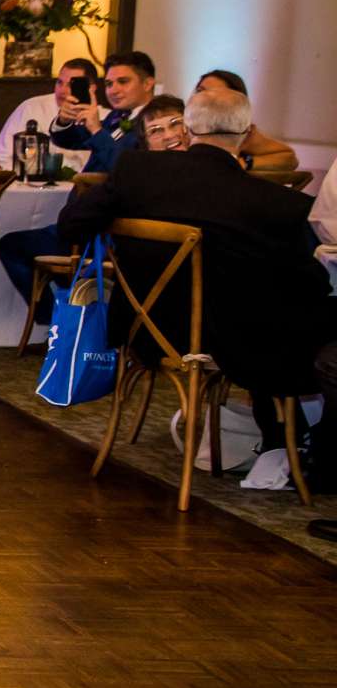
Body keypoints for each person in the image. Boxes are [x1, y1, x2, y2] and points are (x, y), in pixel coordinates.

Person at [58, 85, 335, 492]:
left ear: (189, 127)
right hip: (236, 343)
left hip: (146, 330)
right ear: (245, 131)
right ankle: (312, 453)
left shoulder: (137, 172)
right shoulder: (273, 204)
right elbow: (308, 284)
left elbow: (71, 225)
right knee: (309, 321)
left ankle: (281, 442)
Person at [0, 48, 159, 316]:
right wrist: (64, 120)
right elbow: (68, 140)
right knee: (11, 245)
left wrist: (97, 129)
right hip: (83, 224)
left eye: (123, 82)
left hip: (104, 232)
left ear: (147, 83)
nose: (114, 90)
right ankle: (60, 320)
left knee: (13, 246)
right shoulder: (116, 118)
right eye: (109, 84)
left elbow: (124, 168)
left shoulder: (152, 124)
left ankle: (58, 322)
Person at [0, 57, 100, 170]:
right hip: (27, 185)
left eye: (71, 85)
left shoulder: (104, 119)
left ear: (90, 88)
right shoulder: (31, 107)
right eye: (59, 82)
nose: (62, 90)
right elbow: (0, 158)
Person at [193, 70, 299, 172]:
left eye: (216, 94)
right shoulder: (180, 120)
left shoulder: (241, 132)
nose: (202, 97)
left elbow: (289, 159)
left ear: (235, 102)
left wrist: (246, 162)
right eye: (200, 91)